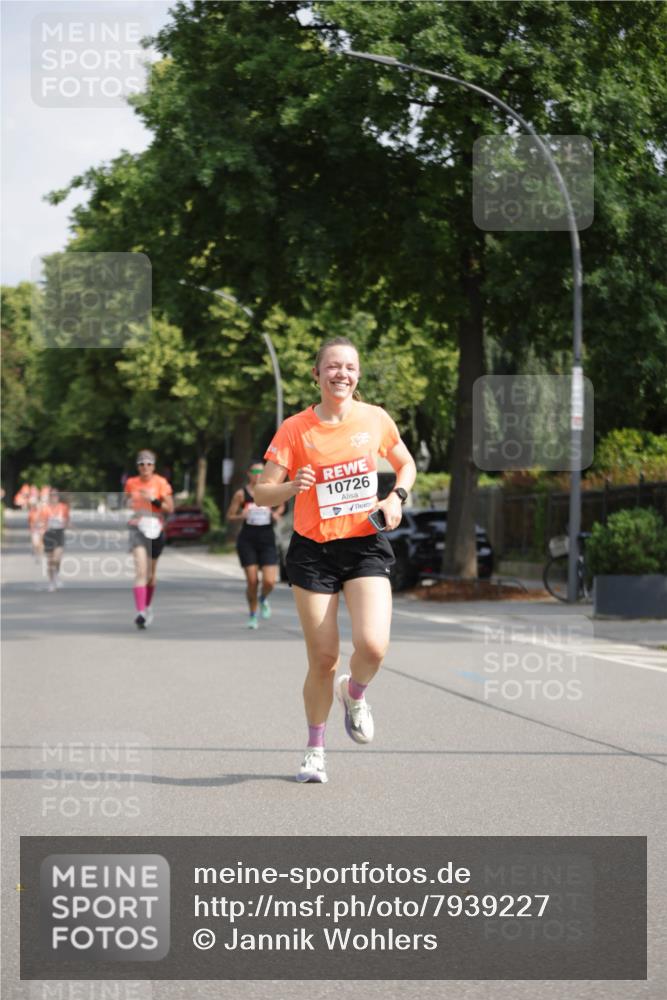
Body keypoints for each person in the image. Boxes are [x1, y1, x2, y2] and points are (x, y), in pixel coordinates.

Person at [256, 336, 416, 783]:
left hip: (365, 543)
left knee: (373, 645)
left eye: (349, 367)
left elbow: (406, 464)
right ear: (317, 374)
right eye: (332, 366)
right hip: (313, 551)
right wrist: (291, 486)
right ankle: (315, 749)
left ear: (357, 375)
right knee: (323, 658)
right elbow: (261, 491)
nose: (340, 373)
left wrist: (396, 497)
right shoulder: (295, 429)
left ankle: (356, 692)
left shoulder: (375, 419)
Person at [226, 461, 284, 629]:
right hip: (248, 539)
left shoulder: (270, 491)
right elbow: (230, 515)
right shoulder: (241, 494)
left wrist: (276, 514)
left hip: (267, 538)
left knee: (270, 582)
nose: (258, 474)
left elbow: (281, 505)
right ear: (249, 474)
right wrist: (241, 515)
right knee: (252, 581)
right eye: (255, 471)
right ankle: (252, 615)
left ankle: (263, 598)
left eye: (261, 471)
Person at [124, 450, 174, 629]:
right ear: (137, 466)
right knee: (140, 571)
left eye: (149, 463)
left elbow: (170, 508)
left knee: (151, 576)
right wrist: (129, 504)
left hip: (155, 528)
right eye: (141, 463)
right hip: (137, 527)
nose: (145, 467)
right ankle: (140, 613)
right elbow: (127, 501)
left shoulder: (160, 483)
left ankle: (147, 605)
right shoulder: (131, 483)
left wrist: (153, 499)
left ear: (154, 466)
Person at [39, 489, 70, 591]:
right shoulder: (45, 509)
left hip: (59, 533)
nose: (54, 497)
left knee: (57, 558)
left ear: (58, 497)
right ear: (49, 497)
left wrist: (65, 524)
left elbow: (66, 520)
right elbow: (42, 522)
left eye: (55, 495)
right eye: (52, 495)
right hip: (48, 534)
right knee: (50, 561)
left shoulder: (63, 507)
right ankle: (51, 582)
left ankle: (56, 574)